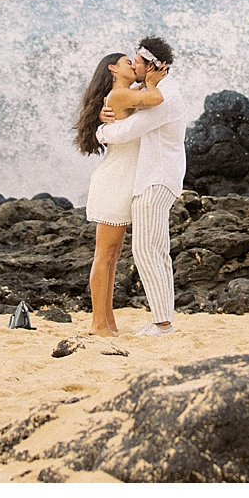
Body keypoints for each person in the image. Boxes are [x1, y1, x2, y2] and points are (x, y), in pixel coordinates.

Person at [96, 35, 186, 336]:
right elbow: (123, 99)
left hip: (155, 178)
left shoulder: (165, 97)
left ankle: (162, 324)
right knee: (157, 251)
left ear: (152, 66)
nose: (132, 64)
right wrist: (102, 116)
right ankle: (164, 321)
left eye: (136, 60)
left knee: (148, 250)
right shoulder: (152, 89)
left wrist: (100, 131)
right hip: (156, 177)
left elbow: (129, 130)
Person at [74, 52, 166, 337]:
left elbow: (143, 98)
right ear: (113, 68)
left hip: (124, 181)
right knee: (104, 256)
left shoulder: (124, 94)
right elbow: (156, 99)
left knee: (112, 256)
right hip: (114, 181)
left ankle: (108, 322)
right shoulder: (118, 96)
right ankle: (97, 324)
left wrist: (147, 81)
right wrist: (152, 81)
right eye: (129, 62)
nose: (134, 65)